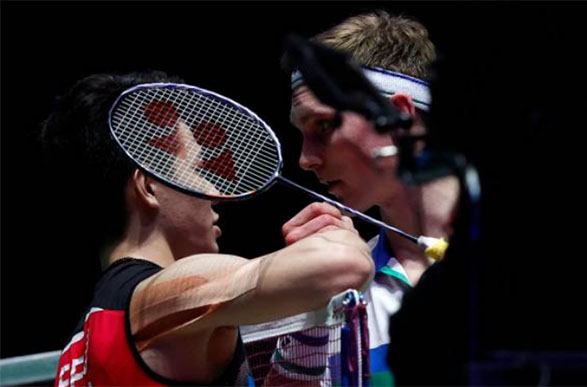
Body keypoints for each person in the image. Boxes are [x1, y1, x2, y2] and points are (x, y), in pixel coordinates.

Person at [42, 71, 374, 386]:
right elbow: (346, 265)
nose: (216, 194)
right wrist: (340, 232)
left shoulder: (80, 345)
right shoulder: (164, 296)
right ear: (148, 187)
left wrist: (305, 338)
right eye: (200, 169)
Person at [281, 11, 461, 385]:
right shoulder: (330, 293)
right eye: (302, 131)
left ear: (399, 116)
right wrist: (306, 318)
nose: (305, 159)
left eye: (324, 125)